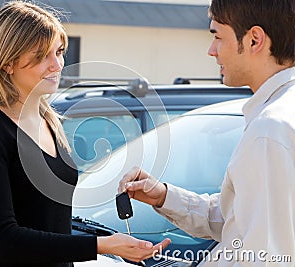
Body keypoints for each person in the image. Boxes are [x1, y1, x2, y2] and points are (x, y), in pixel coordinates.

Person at [0, 1, 170, 266]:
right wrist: (101, 246)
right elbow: (4, 241)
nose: (57, 64)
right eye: (41, 56)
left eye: (59, 52)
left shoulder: (50, 121)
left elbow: (52, 224)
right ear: (7, 64)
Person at [119, 0, 295, 265]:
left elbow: (267, 257)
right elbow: (237, 219)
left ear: (254, 40)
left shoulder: (269, 130)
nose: (211, 51)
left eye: (218, 36)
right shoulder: (278, 116)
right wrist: (165, 197)